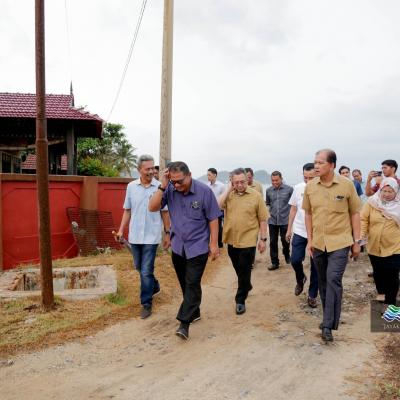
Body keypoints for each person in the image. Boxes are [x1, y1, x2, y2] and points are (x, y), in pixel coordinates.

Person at [148, 161, 221, 340]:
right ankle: (194, 311)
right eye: (174, 181)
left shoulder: (204, 192)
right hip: (178, 246)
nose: (177, 185)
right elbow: (152, 207)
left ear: (189, 175)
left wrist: (214, 244)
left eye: (180, 181)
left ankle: (184, 323)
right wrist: (163, 186)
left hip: (198, 246)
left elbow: (213, 219)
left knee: (192, 283)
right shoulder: (170, 189)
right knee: (185, 284)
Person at [303, 149, 361, 342]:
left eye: (320, 163)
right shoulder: (311, 186)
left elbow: (355, 213)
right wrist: (310, 240)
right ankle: (329, 317)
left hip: (340, 242)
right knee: (322, 282)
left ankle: (327, 325)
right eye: (315, 162)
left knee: (333, 279)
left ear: (332, 165)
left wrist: (356, 242)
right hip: (319, 242)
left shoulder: (347, 185)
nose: (316, 166)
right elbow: (308, 214)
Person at [116, 155, 170, 319]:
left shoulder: (160, 187)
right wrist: (120, 230)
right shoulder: (131, 187)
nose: (151, 171)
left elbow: (165, 211)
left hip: (151, 236)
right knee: (139, 267)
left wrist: (167, 233)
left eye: (153, 168)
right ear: (139, 169)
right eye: (148, 169)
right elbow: (127, 210)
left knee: (146, 270)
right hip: (134, 235)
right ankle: (154, 285)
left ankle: (146, 303)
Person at [218, 168, 269, 315]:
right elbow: (218, 205)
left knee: (245, 268)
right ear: (232, 182)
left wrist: (263, 239)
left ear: (247, 180)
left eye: (242, 181)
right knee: (238, 268)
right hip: (231, 239)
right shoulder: (229, 195)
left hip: (248, 240)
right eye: (236, 182)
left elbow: (262, 219)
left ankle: (240, 300)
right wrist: (228, 189)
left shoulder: (256, 196)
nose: (240, 185)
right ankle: (246, 284)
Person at [361, 177, 400, 306]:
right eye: (384, 191)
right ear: (380, 190)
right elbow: (363, 219)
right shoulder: (372, 202)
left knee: (392, 274)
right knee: (378, 272)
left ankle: (391, 303)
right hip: (374, 246)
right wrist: (361, 235)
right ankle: (381, 292)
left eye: (390, 191)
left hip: (395, 247)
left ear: (396, 191)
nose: (387, 194)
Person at [286, 163, 319, 308]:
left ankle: (312, 295)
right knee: (295, 260)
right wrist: (289, 229)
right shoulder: (298, 188)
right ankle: (300, 278)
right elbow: (293, 209)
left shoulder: (322, 189)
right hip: (300, 230)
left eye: (311, 178)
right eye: (305, 177)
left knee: (316, 266)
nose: (308, 181)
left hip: (317, 232)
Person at [265, 171, 293, 270]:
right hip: (272, 220)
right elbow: (268, 204)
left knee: (285, 240)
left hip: (285, 220)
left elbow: (293, 205)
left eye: (276, 180)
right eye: (272, 180)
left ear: (281, 178)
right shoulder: (268, 190)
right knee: (272, 242)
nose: (274, 182)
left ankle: (286, 254)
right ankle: (274, 262)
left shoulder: (289, 189)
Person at [207, 168, 225, 248]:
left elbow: (224, 199)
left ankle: (220, 245)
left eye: (209, 175)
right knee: (207, 228)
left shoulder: (221, 186)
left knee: (218, 228)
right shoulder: (207, 186)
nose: (208, 176)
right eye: (207, 174)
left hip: (218, 210)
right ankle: (208, 245)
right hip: (208, 210)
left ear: (215, 175)